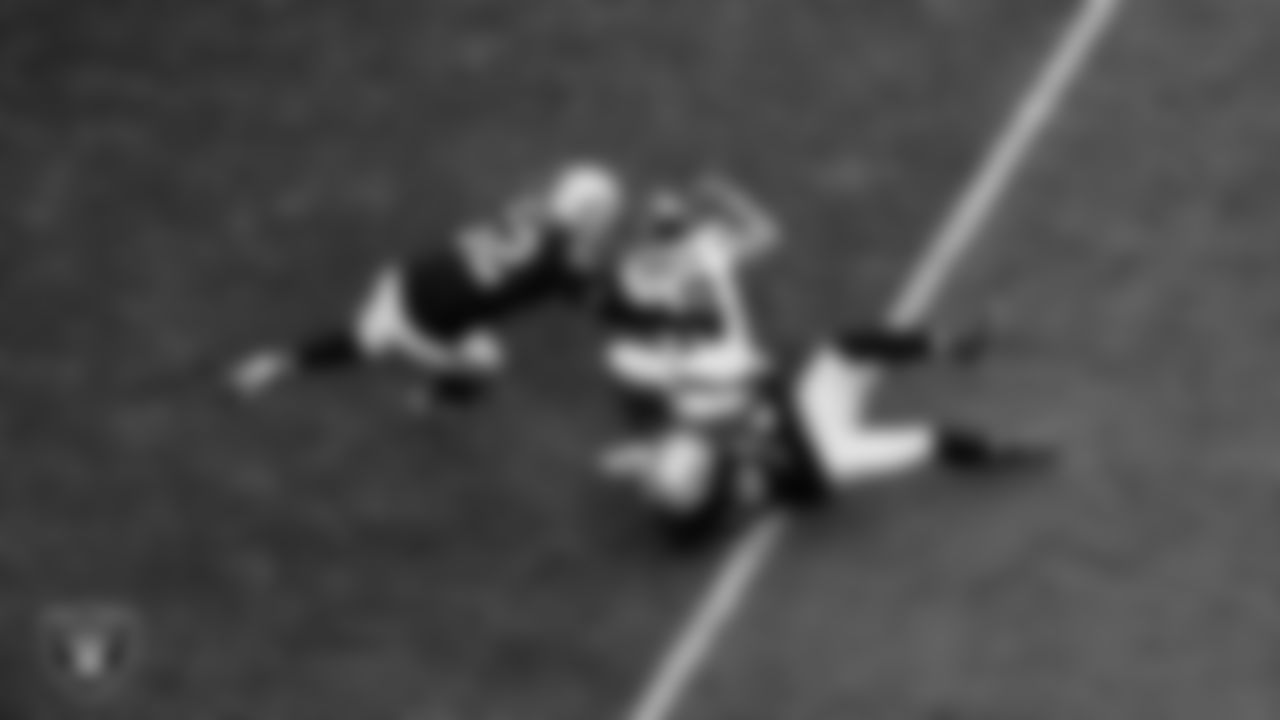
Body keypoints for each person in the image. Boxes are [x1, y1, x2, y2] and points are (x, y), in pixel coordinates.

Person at [228, 160, 628, 408]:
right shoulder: (564, 262)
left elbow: (538, 238)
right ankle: (432, 397)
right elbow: (602, 303)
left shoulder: (524, 207)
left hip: (404, 280)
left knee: (362, 341)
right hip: (429, 333)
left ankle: (274, 364)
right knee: (487, 364)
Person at [601, 324, 1049, 544]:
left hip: (806, 417)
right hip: (828, 456)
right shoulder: (720, 499)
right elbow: (690, 525)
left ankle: (948, 346)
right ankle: (1000, 449)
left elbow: (705, 440)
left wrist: (650, 459)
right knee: (926, 440)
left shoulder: (709, 472)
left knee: (844, 347)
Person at [597, 175, 780, 431]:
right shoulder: (706, 247)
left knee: (631, 363)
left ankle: (726, 404)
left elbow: (765, 234)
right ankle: (735, 404)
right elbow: (765, 232)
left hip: (695, 349)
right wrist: (726, 195)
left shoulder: (643, 266)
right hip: (691, 349)